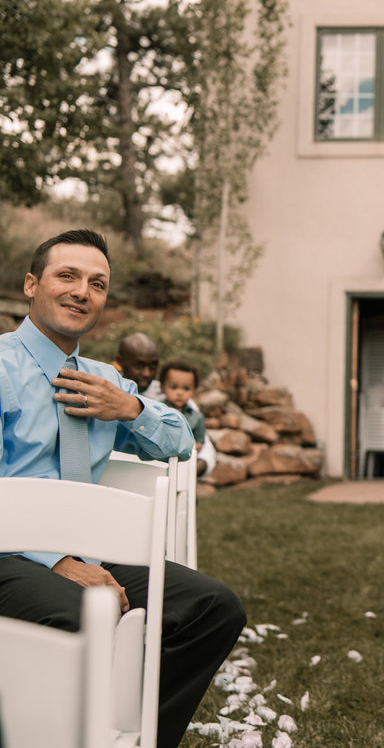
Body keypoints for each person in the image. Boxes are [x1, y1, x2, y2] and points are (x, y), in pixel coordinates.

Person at [0, 229, 246, 748]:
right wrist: (56, 561)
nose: (81, 292)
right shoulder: (1, 367)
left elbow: (182, 443)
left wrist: (130, 409)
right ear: (31, 284)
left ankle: (133, 737)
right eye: (67, 276)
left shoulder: (105, 379)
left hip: (84, 548)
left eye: (97, 283)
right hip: (8, 551)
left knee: (213, 608)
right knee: (82, 615)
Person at [116, 331, 215, 478]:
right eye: (139, 365)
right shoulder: (110, 393)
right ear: (120, 361)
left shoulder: (173, 396)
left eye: (153, 366)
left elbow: (204, 446)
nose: (147, 373)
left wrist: (185, 474)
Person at [160, 359, 207, 457]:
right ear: (162, 387)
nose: (180, 393)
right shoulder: (157, 412)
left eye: (186, 388)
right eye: (174, 387)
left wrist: (195, 447)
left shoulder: (197, 417)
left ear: (194, 391)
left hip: (185, 462)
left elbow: (200, 441)